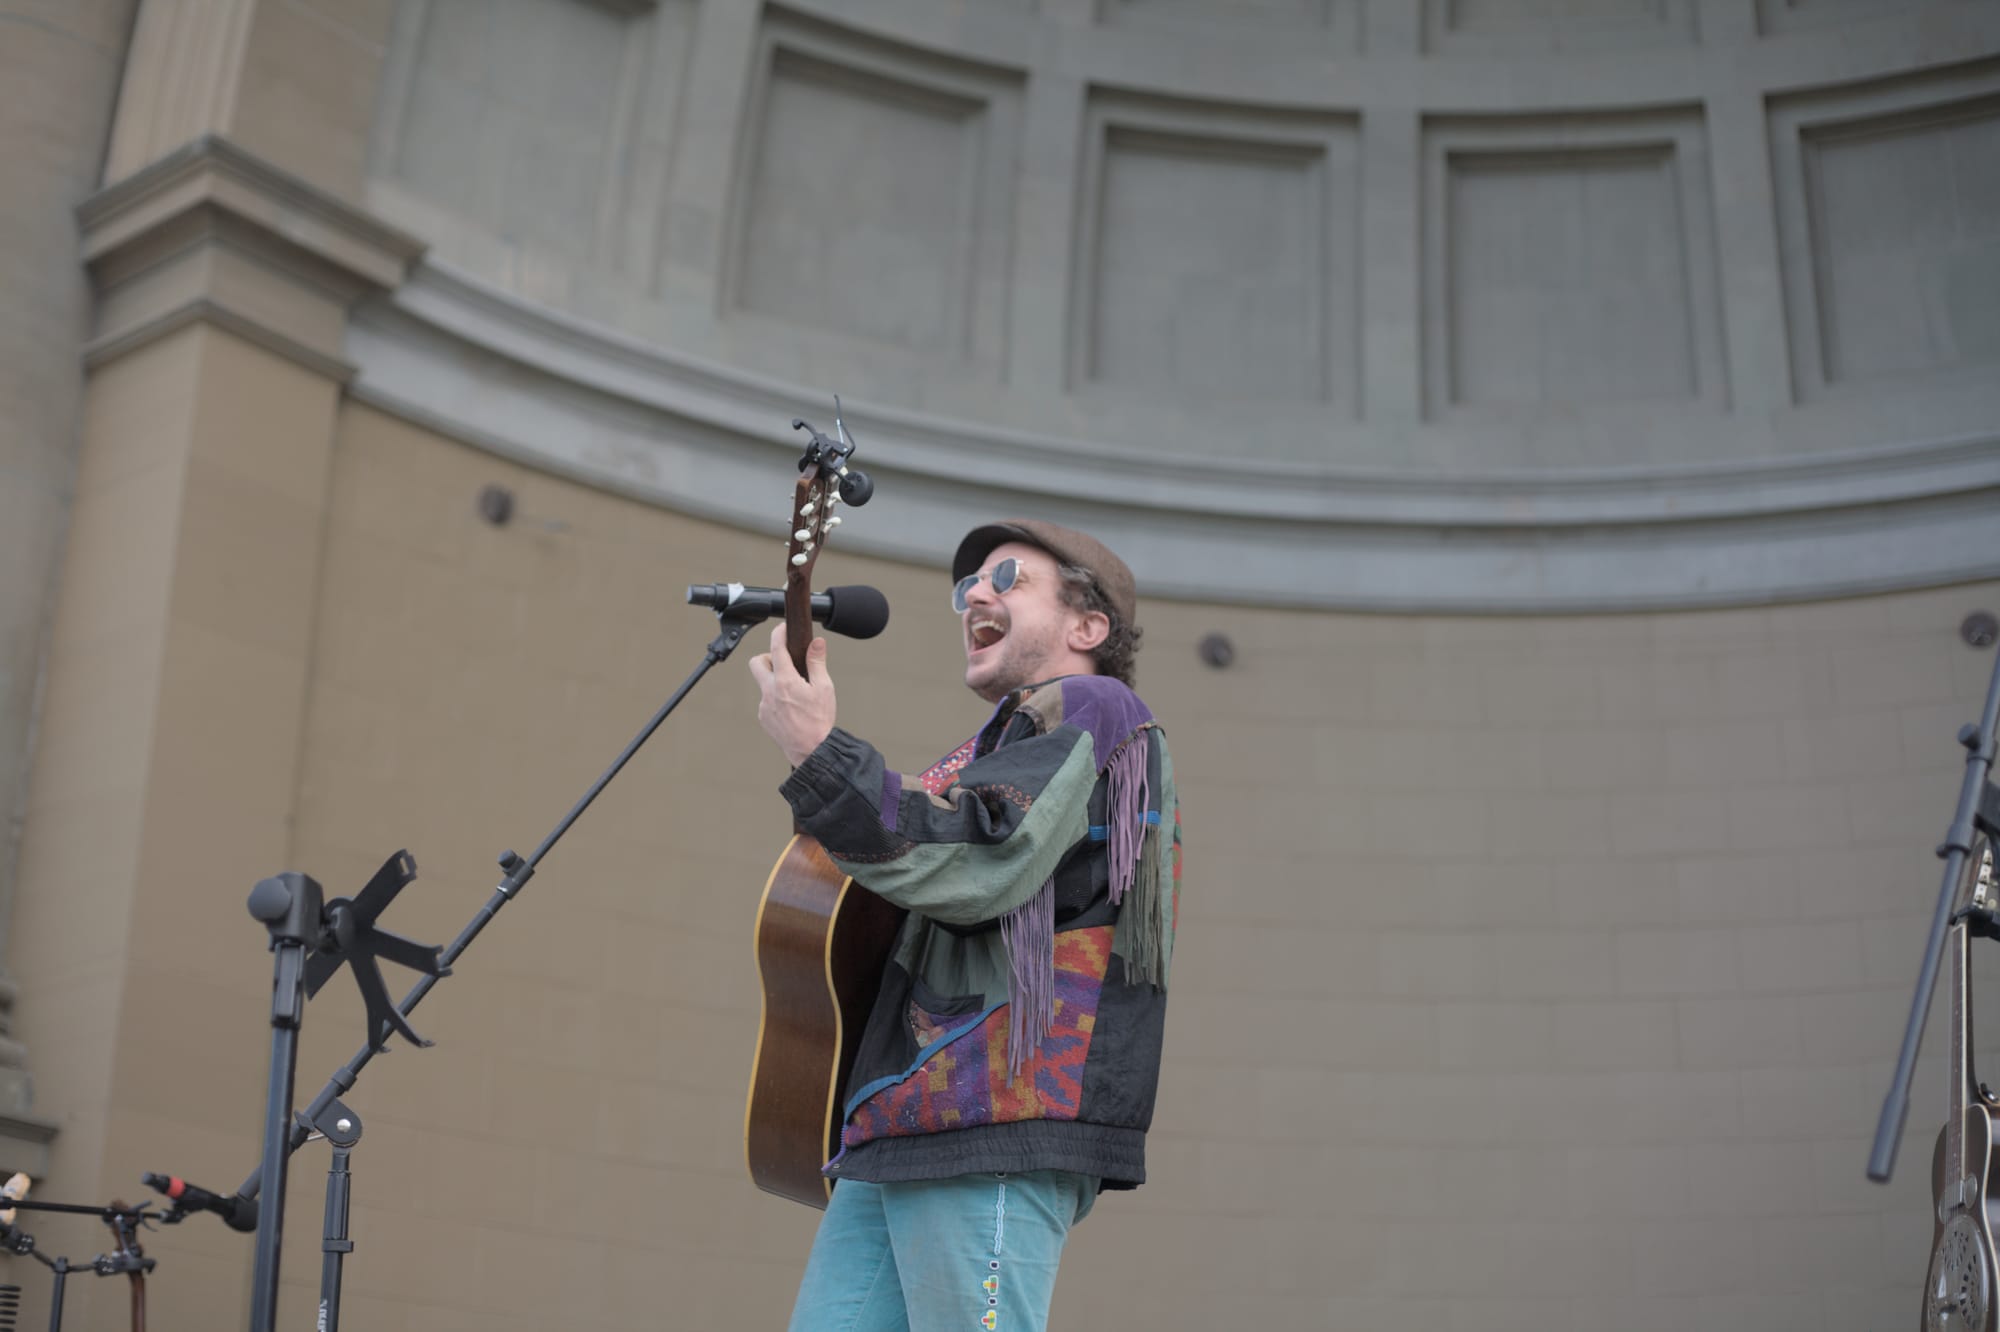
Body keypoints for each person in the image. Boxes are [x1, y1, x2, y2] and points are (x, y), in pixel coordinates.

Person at [749, 519, 1181, 1332]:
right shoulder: (995, 748)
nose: (977, 594)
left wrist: (822, 753)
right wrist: (821, 764)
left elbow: (983, 856)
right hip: (905, 1121)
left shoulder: (1095, 706)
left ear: (1089, 627)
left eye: (1009, 578)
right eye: (969, 585)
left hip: (991, 1115)